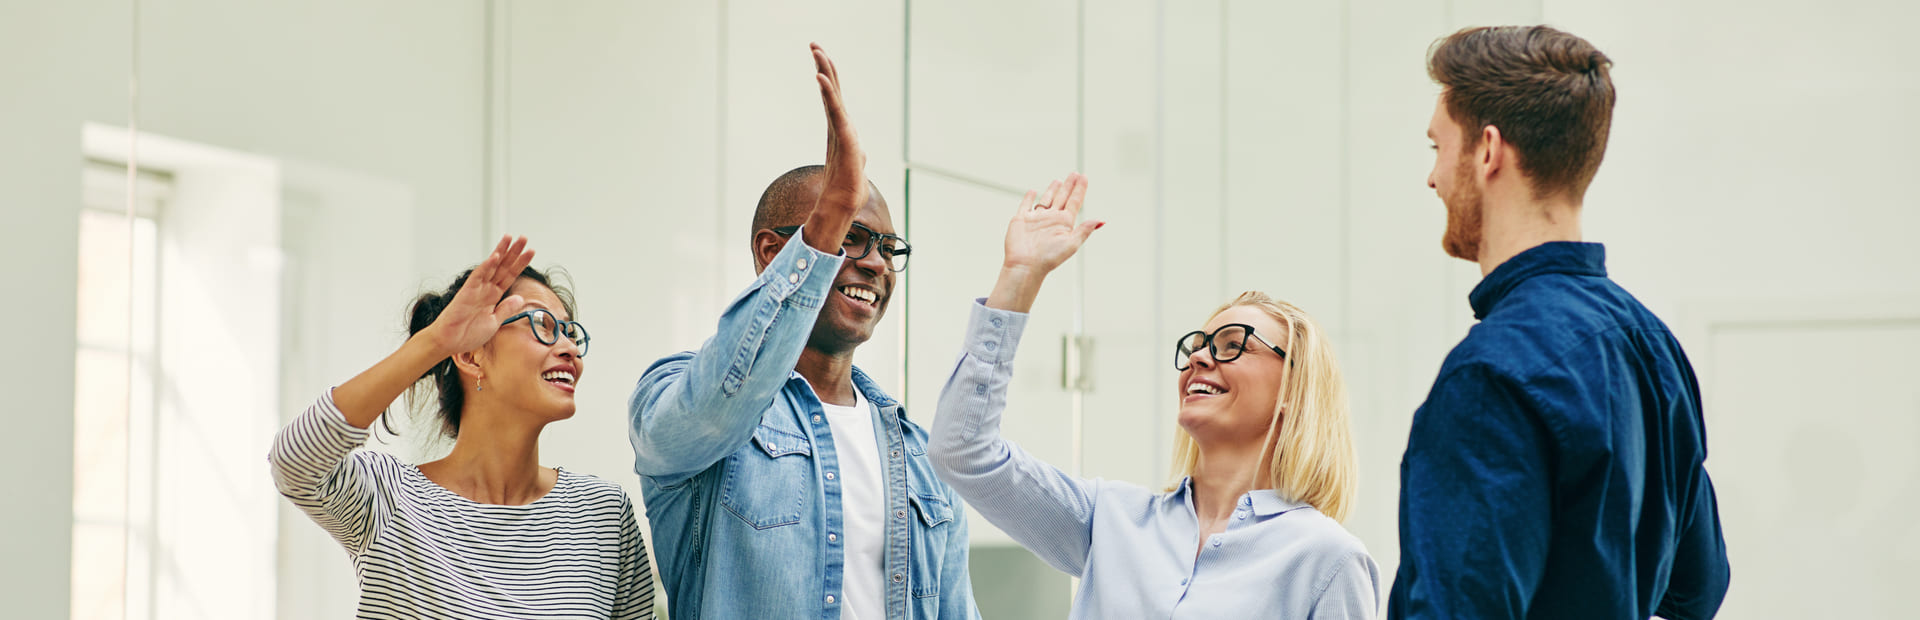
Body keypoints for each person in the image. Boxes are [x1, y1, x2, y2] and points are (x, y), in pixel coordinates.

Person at [1388, 25, 1730, 619]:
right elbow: (1697, 589)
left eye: (1436, 148)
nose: (1433, 178)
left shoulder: (1490, 375)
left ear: (1488, 150)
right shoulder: (1653, 346)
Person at [627, 44, 976, 619]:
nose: (877, 264)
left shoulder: (918, 452)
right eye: (852, 237)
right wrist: (828, 218)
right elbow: (711, 411)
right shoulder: (676, 392)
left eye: (890, 248)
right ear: (773, 253)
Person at [929, 173, 1378, 618]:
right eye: (1198, 345)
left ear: (1293, 391)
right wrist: (1019, 279)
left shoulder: (1328, 561)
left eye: (1233, 344)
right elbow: (963, 452)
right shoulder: (1110, 520)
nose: (1200, 357)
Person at [269, 235, 655, 619]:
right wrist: (435, 342)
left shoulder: (603, 514)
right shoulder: (392, 499)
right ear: (470, 355)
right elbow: (294, 462)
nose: (569, 347)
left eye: (570, 332)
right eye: (542, 324)